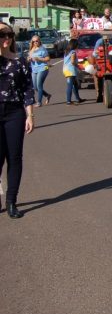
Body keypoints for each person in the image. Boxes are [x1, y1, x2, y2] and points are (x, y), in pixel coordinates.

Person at [0, 23, 35, 219]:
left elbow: (27, 89)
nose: (7, 38)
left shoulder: (20, 61)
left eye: (9, 34)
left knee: (14, 157)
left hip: (14, 112)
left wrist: (30, 115)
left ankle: (11, 201)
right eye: (2, 34)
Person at [28, 35, 52, 106]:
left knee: (39, 85)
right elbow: (29, 58)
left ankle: (39, 102)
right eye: (33, 41)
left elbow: (48, 59)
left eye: (36, 41)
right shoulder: (31, 49)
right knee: (35, 87)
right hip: (34, 69)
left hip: (42, 68)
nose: (35, 42)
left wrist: (39, 59)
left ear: (39, 41)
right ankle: (47, 95)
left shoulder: (42, 49)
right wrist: (28, 59)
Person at [62, 39, 84, 105]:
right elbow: (72, 61)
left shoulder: (66, 51)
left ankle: (78, 98)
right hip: (70, 70)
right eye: (77, 45)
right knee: (70, 86)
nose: (78, 46)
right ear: (75, 45)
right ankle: (68, 101)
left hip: (65, 69)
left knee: (75, 85)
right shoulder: (73, 52)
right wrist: (78, 66)